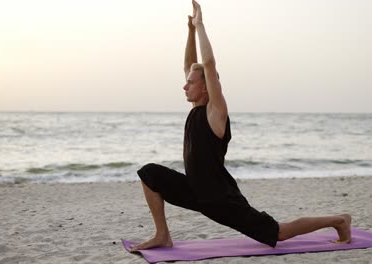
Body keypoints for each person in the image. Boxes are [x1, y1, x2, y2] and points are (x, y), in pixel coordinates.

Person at [130, 0, 351, 251]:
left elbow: (209, 65)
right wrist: (190, 31)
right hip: (194, 189)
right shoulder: (196, 108)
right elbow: (190, 65)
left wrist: (201, 25)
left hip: (220, 198)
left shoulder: (216, 112)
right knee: (149, 173)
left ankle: (339, 220)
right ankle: (162, 235)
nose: (184, 85)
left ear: (206, 87)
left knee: (278, 233)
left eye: (191, 83)